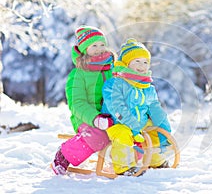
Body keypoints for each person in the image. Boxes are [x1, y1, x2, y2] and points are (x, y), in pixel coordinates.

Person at [101, 38, 171, 176]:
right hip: (117, 122)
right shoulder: (114, 84)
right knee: (123, 134)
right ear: (126, 63)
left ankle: (156, 160)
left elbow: (155, 108)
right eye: (137, 61)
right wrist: (133, 126)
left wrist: (165, 128)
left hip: (140, 124)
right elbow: (117, 108)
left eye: (145, 62)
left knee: (153, 130)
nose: (142, 65)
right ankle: (123, 166)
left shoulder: (147, 88)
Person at [51, 25, 115, 175]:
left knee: (129, 129)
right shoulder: (78, 75)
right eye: (94, 45)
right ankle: (64, 156)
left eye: (102, 44)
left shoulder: (112, 69)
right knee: (100, 136)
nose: (100, 48)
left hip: (111, 116)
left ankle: (125, 162)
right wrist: (95, 118)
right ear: (85, 49)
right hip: (86, 119)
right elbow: (77, 104)